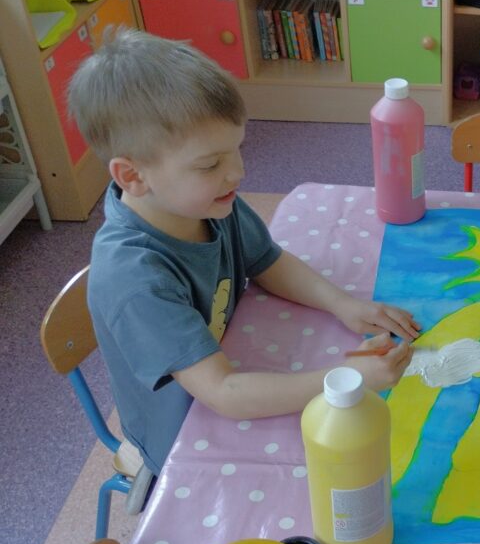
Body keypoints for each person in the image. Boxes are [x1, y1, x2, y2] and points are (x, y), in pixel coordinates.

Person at [67, 28, 420, 474]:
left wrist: (343, 305)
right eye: (210, 164)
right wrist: (346, 383)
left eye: (237, 149)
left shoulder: (205, 200)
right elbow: (223, 393)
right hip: (182, 437)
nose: (237, 171)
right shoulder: (135, 277)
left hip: (233, 369)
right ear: (133, 176)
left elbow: (266, 260)